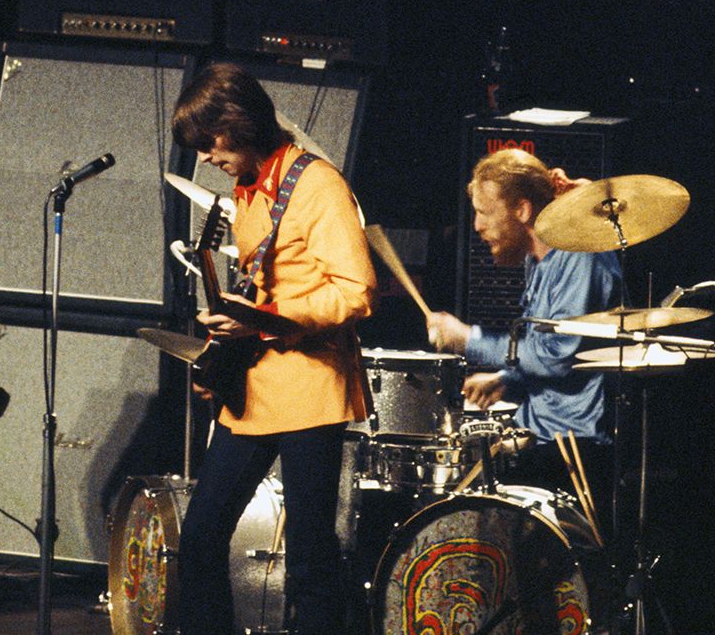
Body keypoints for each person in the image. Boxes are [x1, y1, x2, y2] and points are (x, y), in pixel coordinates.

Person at [171, 63, 376, 633]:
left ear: (238, 123)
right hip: (255, 388)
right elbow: (263, 288)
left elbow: (356, 293)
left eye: (211, 143)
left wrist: (267, 322)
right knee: (201, 534)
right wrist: (226, 343)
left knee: (311, 553)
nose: (207, 157)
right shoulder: (248, 189)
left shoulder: (319, 185)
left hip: (311, 388)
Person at [426, 148, 620, 531]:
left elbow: (559, 356)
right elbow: (547, 349)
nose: (477, 225)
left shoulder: (581, 257)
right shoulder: (538, 259)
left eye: (484, 211)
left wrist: (468, 339)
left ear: (522, 210)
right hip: (540, 431)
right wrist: (507, 379)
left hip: (574, 446)